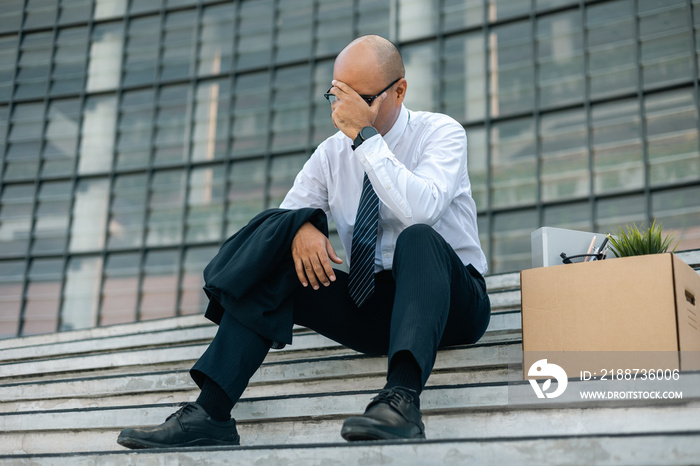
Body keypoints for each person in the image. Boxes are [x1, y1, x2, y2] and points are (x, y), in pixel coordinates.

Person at [117, 34, 491, 450]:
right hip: (376, 308)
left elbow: (421, 209)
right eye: (336, 95)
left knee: (418, 238)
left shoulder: (440, 133)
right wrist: (302, 228)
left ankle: (400, 400)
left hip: (453, 301)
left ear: (398, 91)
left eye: (358, 98)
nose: (341, 110)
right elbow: (282, 220)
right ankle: (211, 413)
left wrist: (366, 139)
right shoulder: (330, 155)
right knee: (276, 256)